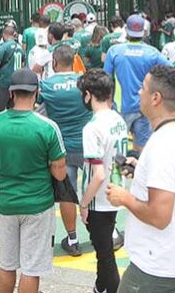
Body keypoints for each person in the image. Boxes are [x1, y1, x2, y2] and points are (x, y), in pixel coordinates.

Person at [106, 65, 175, 293]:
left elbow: (159, 216)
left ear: (156, 98)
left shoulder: (163, 145)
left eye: (143, 88)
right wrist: (141, 170)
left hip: (155, 266)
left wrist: (124, 198)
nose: (139, 92)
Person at [0, 68, 66, 293]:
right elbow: (59, 173)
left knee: (6, 263)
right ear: (37, 93)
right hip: (38, 205)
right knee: (31, 268)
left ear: (11, 93)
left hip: (6, 203)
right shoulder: (47, 127)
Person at [38, 45, 92, 257]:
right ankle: (106, 233)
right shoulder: (85, 82)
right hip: (88, 144)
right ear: (74, 60)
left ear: (54, 62)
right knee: (94, 190)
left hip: (62, 148)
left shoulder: (47, 85)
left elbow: (36, 109)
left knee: (67, 194)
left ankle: (73, 239)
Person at [77, 69, 128, 293]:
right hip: (115, 191)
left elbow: (97, 174)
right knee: (103, 249)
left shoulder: (92, 128)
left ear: (88, 95)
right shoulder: (118, 120)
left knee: (106, 255)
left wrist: (84, 203)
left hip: (99, 199)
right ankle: (100, 287)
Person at [104, 14, 169, 152]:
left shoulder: (114, 51)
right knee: (142, 149)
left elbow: (106, 79)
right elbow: (171, 71)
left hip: (120, 109)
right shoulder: (152, 53)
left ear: (126, 30)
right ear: (144, 32)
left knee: (117, 150)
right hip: (145, 107)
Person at [0, 26, 25, 115]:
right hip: (17, 81)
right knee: (14, 108)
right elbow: (23, 62)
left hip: (4, 81)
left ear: (4, 34)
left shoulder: (4, 46)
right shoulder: (19, 47)